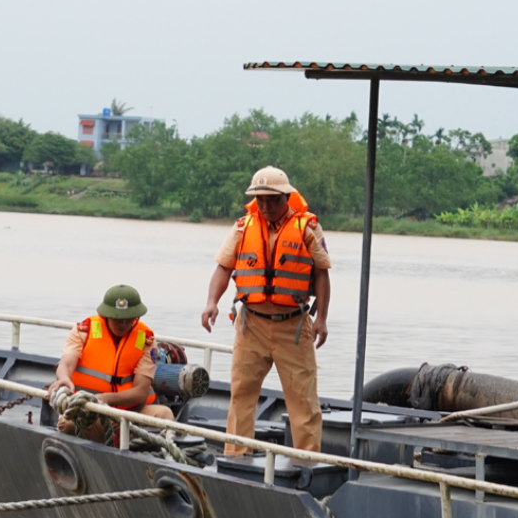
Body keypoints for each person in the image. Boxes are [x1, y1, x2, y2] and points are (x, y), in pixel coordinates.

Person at [201, 166, 331, 455]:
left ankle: (306, 462)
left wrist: (321, 319)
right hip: (251, 324)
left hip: (293, 326)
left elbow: (322, 273)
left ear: (286, 197)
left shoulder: (307, 227)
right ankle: (236, 457)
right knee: (241, 396)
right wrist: (212, 303)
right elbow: (223, 267)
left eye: (272, 200)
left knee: (302, 400)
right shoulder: (242, 227)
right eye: (260, 200)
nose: (266, 206)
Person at [50, 285, 175, 440]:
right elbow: (66, 364)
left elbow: (140, 391)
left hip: (129, 413)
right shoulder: (84, 331)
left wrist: (107, 398)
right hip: (88, 410)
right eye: (116, 317)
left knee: (166, 415)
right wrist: (64, 378)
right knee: (68, 424)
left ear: (136, 316)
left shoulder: (146, 340)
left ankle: (143, 450)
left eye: (127, 318)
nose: (121, 323)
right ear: (105, 314)